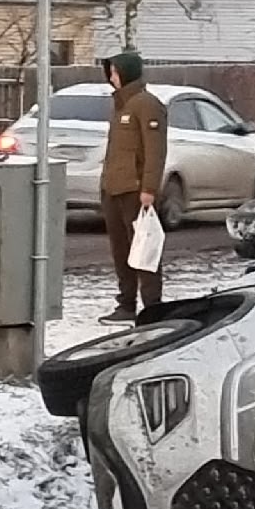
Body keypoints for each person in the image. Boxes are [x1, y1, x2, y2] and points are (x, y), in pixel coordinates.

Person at [98, 48, 168, 324]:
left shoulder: (146, 104)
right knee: (121, 251)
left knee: (144, 250)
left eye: (115, 72)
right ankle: (126, 304)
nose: (112, 77)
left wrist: (149, 188)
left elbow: (155, 151)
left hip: (136, 191)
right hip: (113, 189)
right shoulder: (120, 106)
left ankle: (152, 307)